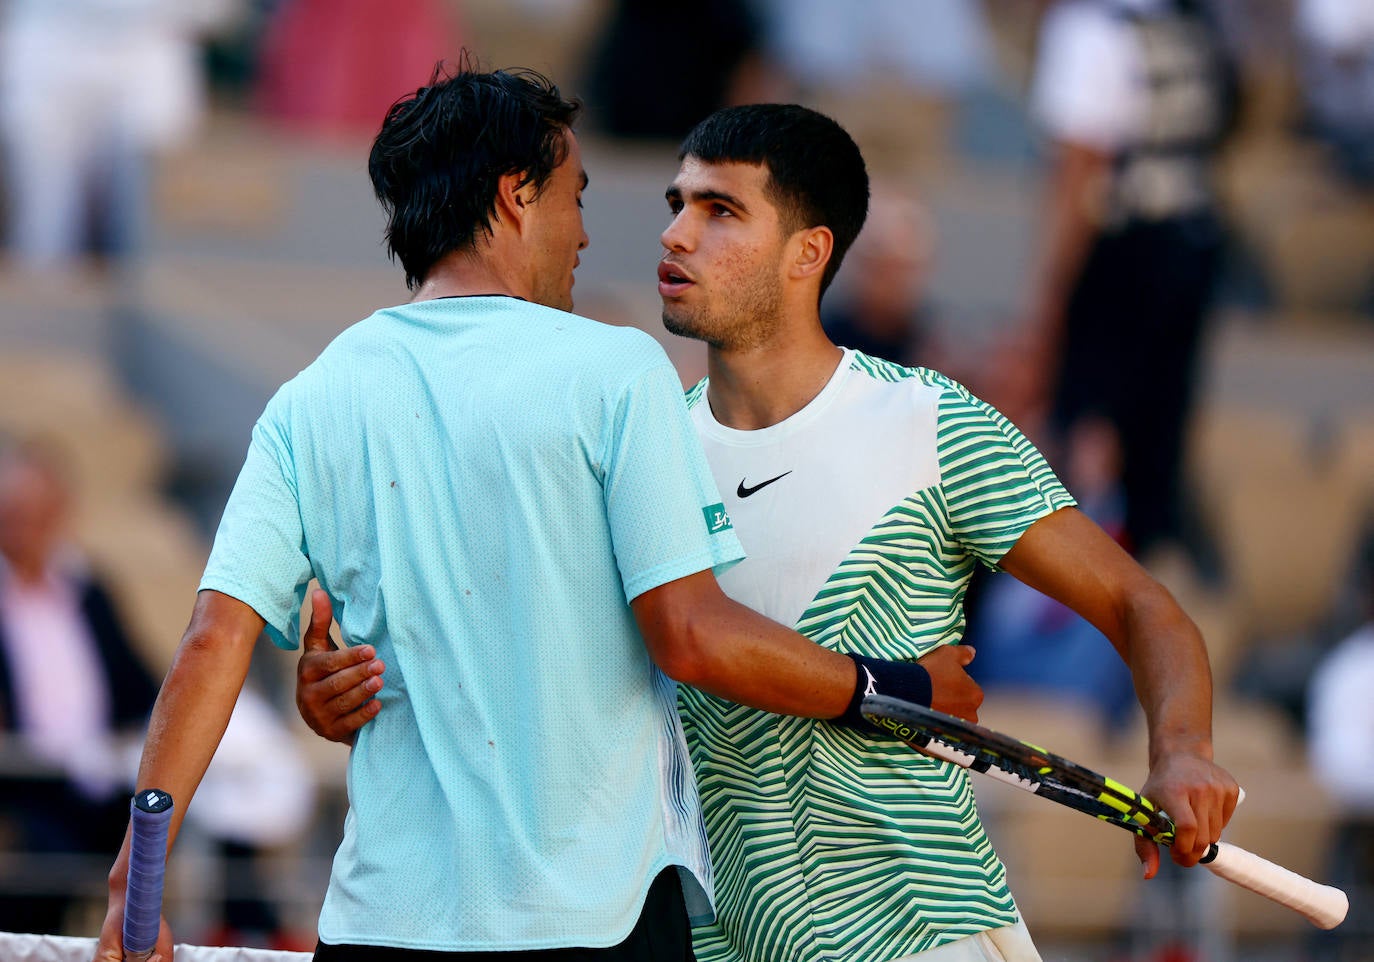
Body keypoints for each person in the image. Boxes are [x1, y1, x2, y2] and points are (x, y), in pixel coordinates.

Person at [299, 103, 1239, 962]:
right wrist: (345, 697)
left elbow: (1139, 604)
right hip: (719, 941)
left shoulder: (929, 424)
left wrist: (1183, 747)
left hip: (925, 931)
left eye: (720, 210)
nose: (674, 232)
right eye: (676, 204)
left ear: (808, 252)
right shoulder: (638, 445)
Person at [92, 64, 976, 962]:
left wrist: (139, 874)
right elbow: (693, 637)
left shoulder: (309, 399)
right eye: (575, 198)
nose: (587, 235)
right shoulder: (617, 371)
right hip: (593, 929)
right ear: (517, 197)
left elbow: (211, 644)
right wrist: (900, 691)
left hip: (377, 931)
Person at [1020, 0, 1240, 562]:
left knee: (1090, 441)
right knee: (1157, 445)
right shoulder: (1184, 21)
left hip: (1123, 260)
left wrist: (1051, 302)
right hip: (1191, 245)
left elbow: (1078, 170)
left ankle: (1090, 603)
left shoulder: (1089, 29)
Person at [0, 437, 159, 936]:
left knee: (171, 823)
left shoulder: (89, 590)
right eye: (17, 514)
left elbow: (142, 685)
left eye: (42, 514)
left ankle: (248, 931)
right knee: (46, 865)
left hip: (101, 781)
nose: (31, 527)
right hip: (22, 786)